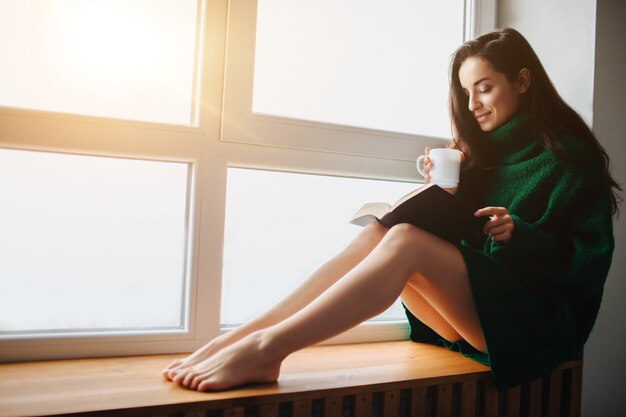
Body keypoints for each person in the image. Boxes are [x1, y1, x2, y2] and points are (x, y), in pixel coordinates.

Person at [163, 28, 620, 392]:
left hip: (534, 327)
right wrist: (440, 194)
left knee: (403, 241)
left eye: (484, 88)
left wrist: (521, 233)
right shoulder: (479, 156)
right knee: (383, 230)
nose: (472, 104)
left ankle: (267, 350)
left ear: (521, 81)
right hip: (476, 314)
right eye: (465, 93)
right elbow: (464, 239)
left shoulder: (568, 159)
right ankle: (244, 336)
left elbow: (587, 262)